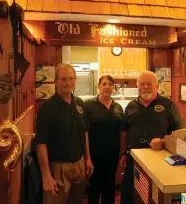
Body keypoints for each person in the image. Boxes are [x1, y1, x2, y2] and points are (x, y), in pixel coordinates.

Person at [119, 71, 185, 204]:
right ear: (137, 86)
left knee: (153, 197)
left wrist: (164, 142)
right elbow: (124, 132)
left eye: (149, 84)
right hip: (134, 159)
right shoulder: (131, 106)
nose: (145, 87)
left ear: (157, 86)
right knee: (129, 195)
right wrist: (123, 153)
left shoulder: (168, 105)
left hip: (160, 160)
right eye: (142, 84)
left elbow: (181, 133)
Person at [34, 63, 94, 204]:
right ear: (56, 82)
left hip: (79, 165)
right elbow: (41, 144)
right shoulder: (47, 108)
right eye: (64, 79)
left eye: (71, 78)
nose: (68, 82)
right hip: (58, 168)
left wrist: (88, 158)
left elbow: (84, 133)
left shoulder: (79, 104)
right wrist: (46, 176)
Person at [85, 75, 124, 204]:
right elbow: (85, 132)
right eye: (104, 84)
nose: (107, 87)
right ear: (99, 87)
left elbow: (122, 132)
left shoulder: (118, 107)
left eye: (110, 84)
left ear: (113, 88)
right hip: (94, 156)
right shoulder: (89, 105)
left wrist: (121, 154)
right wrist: (87, 157)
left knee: (109, 189)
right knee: (94, 189)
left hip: (112, 156)